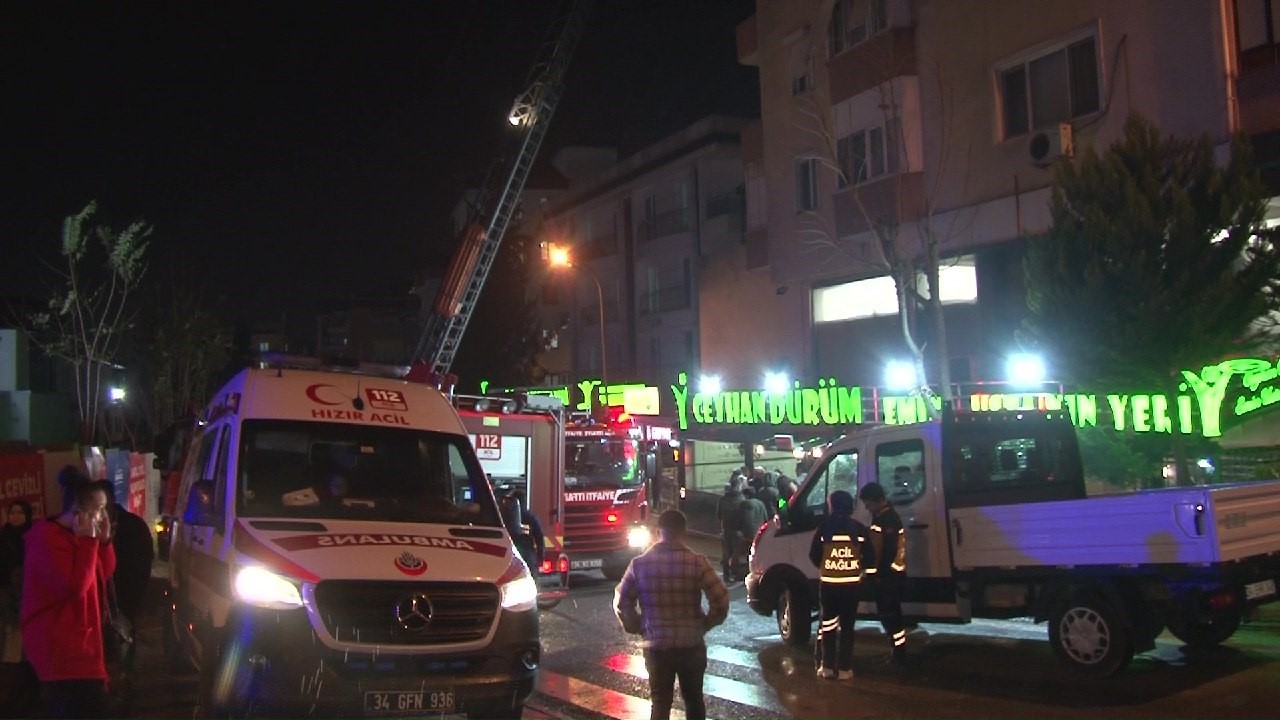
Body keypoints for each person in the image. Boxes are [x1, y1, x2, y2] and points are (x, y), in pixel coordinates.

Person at [613, 510, 729, 720]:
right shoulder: (697, 562)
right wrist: (705, 624)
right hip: (691, 645)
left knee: (660, 702)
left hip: (656, 646)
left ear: (658, 532)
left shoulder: (639, 565)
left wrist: (638, 626)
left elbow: (622, 602)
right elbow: (720, 599)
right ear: (684, 533)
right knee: (694, 699)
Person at [21, 468, 117, 718]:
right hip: (64, 653)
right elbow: (74, 587)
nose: (102, 516)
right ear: (79, 512)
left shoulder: (83, 538)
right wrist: (89, 543)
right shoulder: (48, 538)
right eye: (98, 510)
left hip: (84, 649)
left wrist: (104, 542)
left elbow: (102, 575)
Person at [808, 490, 868, 680]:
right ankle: (845, 668)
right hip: (851, 586)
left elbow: (813, 555)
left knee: (828, 626)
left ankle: (827, 666)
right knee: (848, 627)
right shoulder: (859, 529)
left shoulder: (824, 528)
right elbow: (870, 556)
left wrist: (827, 566)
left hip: (829, 585)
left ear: (832, 506)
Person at [859, 481, 909, 666]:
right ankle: (898, 651)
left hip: (887, 577)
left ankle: (898, 654)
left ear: (879, 500)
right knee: (892, 614)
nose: (867, 507)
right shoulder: (890, 516)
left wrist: (874, 574)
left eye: (868, 504)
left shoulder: (883, 520)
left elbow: (879, 551)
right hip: (893, 574)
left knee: (889, 615)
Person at [1, 499, 38, 715]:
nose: (15, 516)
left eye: (19, 512)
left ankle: (28, 695)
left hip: (29, 601)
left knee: (27, 652)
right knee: (12, 652)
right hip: (8, 604)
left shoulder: (32, 537)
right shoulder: (3, 538)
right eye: (12, 512)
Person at [500, 490, 545, 573]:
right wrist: (540, 556)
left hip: (509, 553)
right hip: (527, 554)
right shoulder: (531, 517)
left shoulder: (503, 517)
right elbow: (539, 538)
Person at [714, 477, 744, 582]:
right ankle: (734, 573)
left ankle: (726, 574)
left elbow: (718, 514)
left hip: (726, 528)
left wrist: (722, 525)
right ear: (739, 486)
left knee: (726, 552)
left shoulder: (723, 499)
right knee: (736, 551)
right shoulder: (741, 499)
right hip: (737, 529)